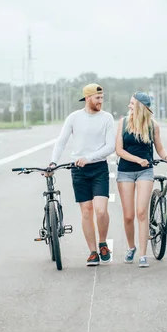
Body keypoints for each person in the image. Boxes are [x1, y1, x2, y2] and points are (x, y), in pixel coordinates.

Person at [48, 83, 116, 266]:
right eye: (97, 98)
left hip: (99, 167)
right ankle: (93, 252)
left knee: (101, 210)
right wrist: (53, 162)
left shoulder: (107, 118)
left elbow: (110, 146)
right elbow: (61, 142)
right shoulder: (74, 118)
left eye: (102, 98)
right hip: (78, 170)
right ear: (87, 98)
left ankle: (103, 243)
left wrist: (89, 157)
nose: (100, 101)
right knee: (86, 212)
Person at [115, 92, 167, 268]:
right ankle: (131, 247)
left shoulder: (153, 126)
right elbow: (118, 150)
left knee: (142, 212)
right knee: (128, 216)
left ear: (141, 106)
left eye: (132, 104)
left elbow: (160, 148)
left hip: (145, 172)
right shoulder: (123, 123)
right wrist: (137, 160)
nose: (129, 107)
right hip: (125, 171)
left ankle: (143, 254)